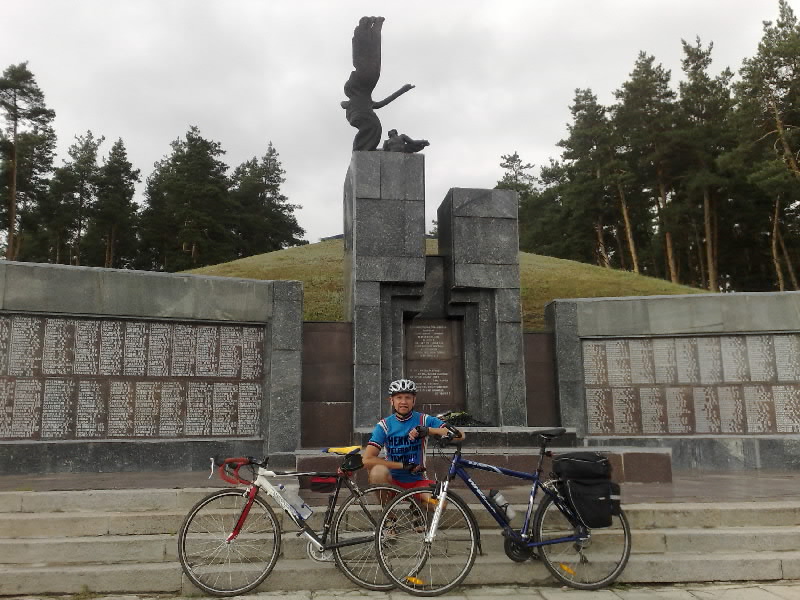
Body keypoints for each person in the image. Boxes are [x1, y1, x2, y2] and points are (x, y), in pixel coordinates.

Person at [363, 378, 465, 490]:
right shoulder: (384, 425)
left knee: (439, 500)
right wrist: (403, 466)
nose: (403, 402)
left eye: (408, 397)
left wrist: (428, 430)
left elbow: (460, 435)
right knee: (377, 472)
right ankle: (388, 502)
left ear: (414, 400)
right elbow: (367, 459)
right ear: (391, 400)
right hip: (392, 481)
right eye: (399, 397)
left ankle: (417, 501)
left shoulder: (424, 419)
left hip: (418, 481)